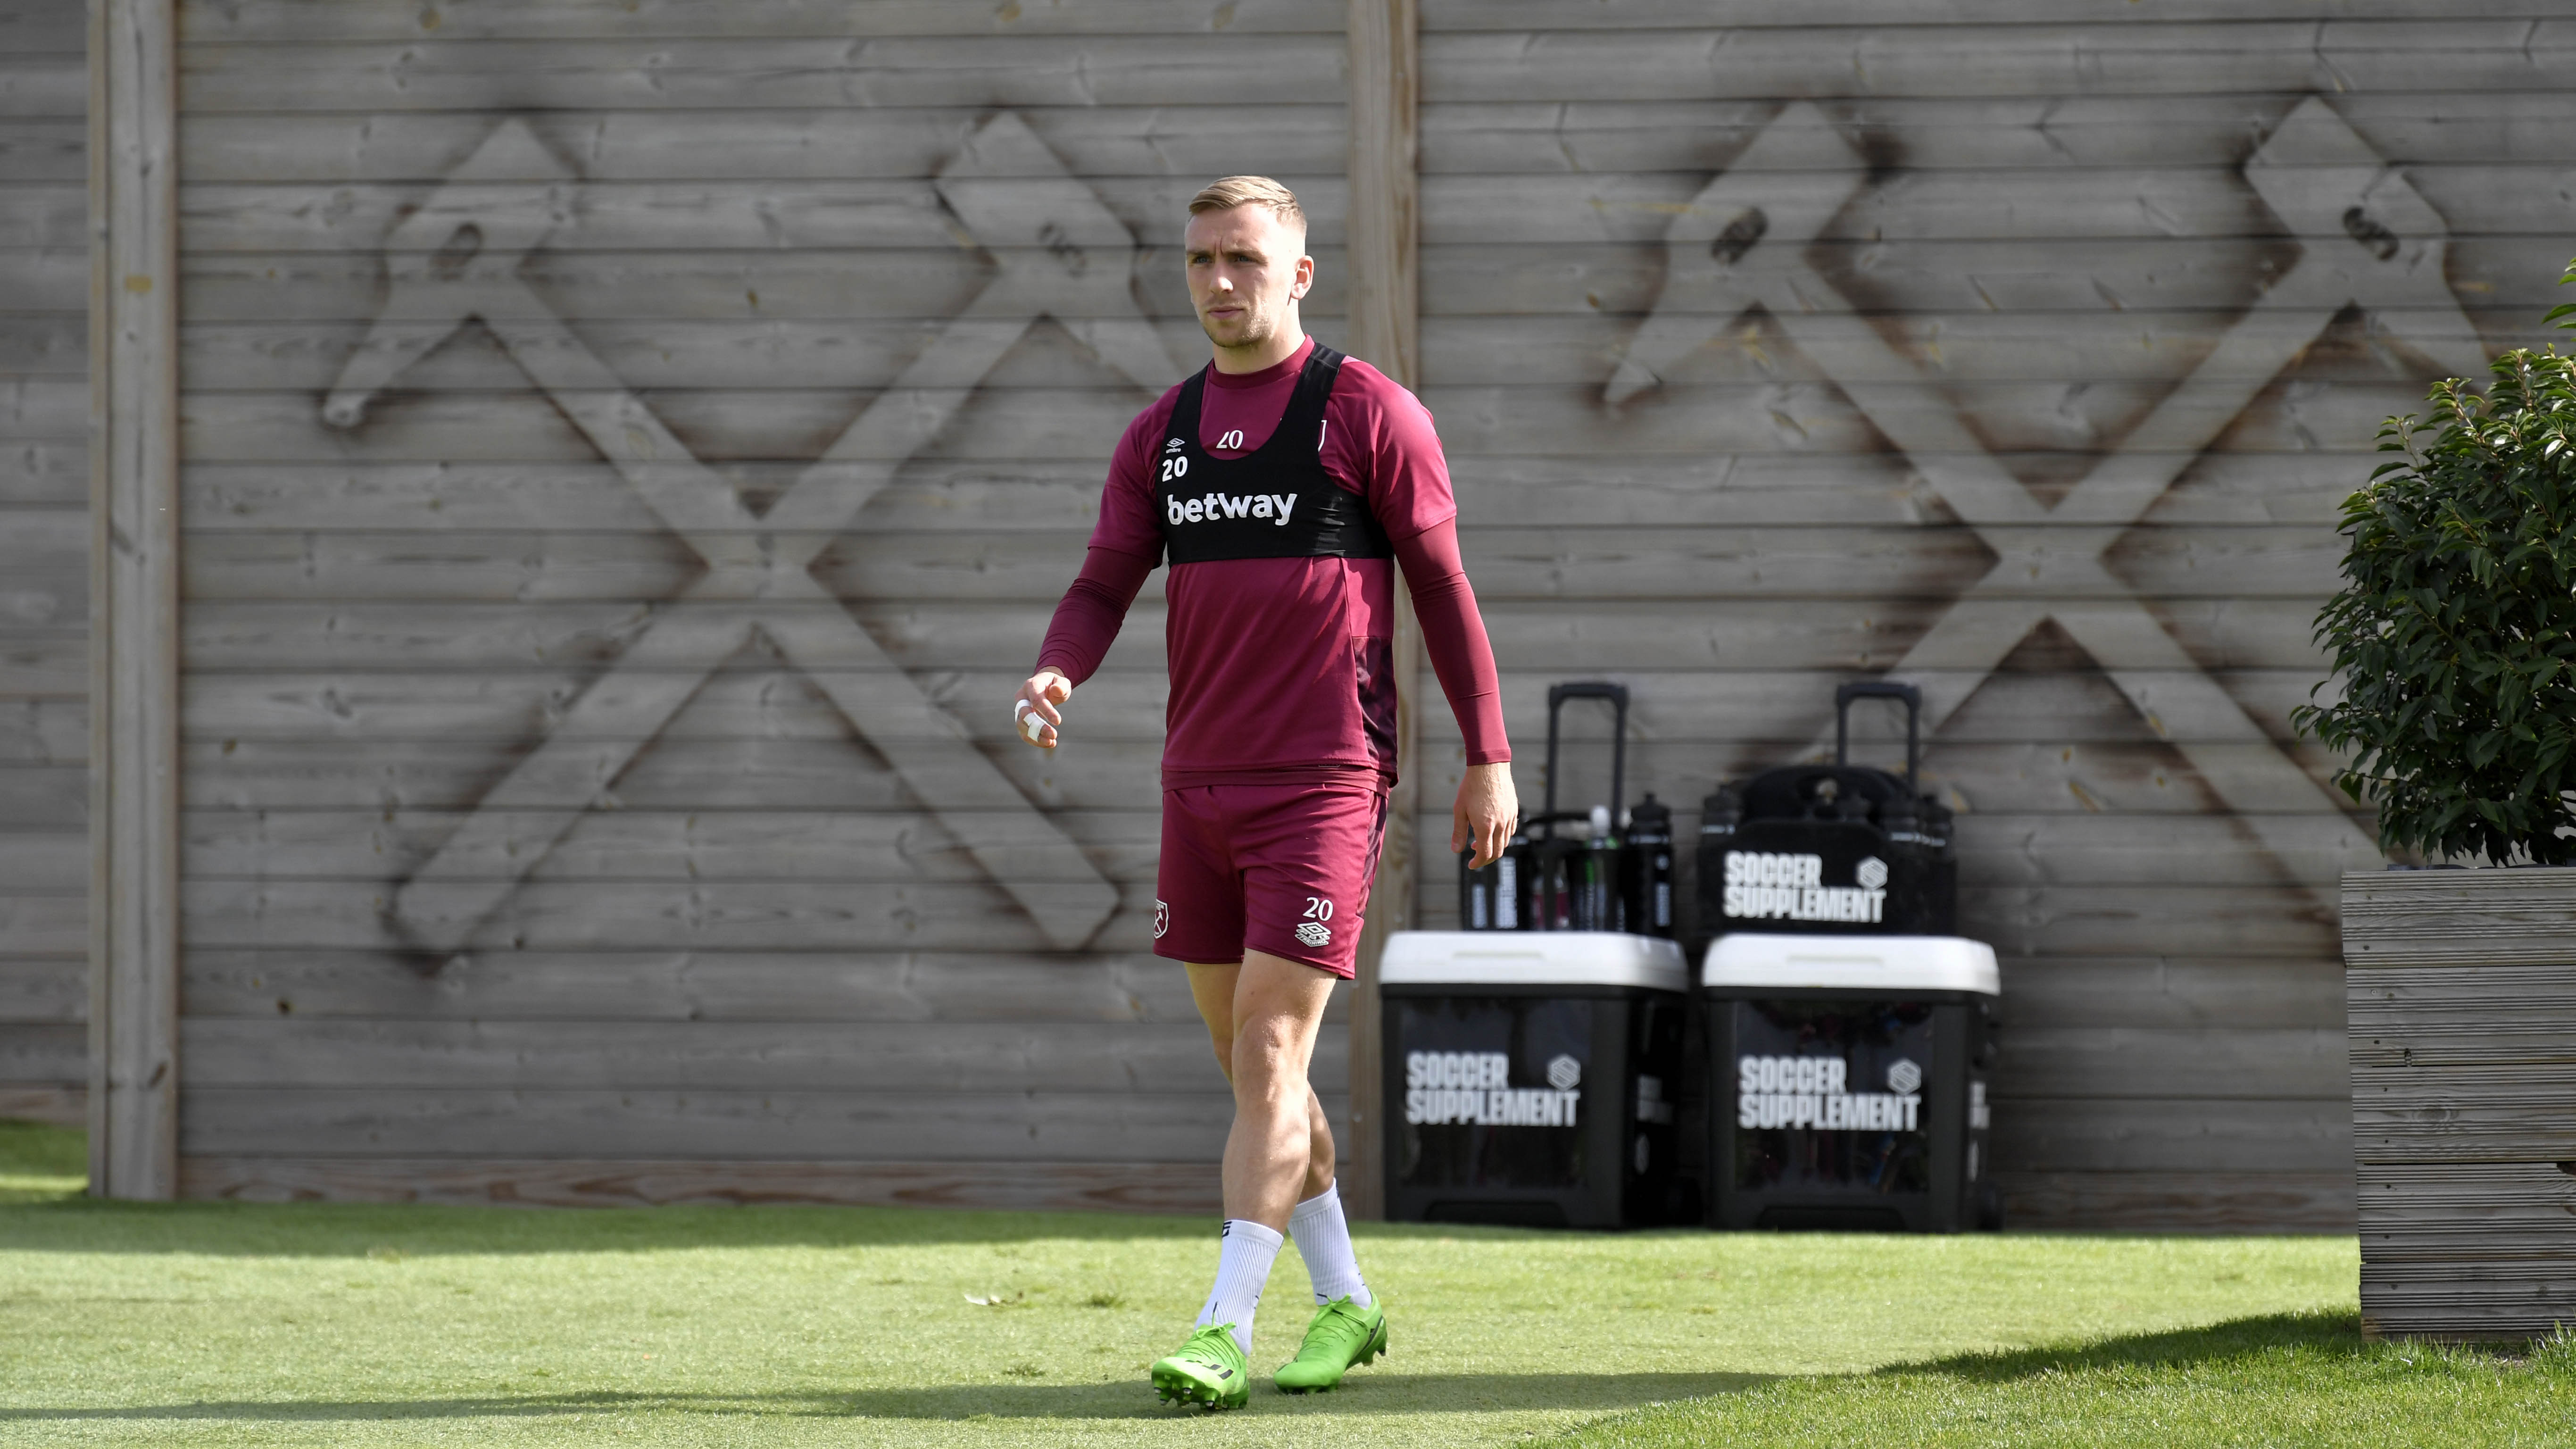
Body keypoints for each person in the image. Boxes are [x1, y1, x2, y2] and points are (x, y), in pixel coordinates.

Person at [1014, 175, 1517, 1409]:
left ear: (1297, 274)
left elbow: (1445, 593)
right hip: (1197, 789)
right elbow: (1102, 581)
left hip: (1325, 783)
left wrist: (1488, 751)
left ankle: (1223, 1326)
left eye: (1243, 258)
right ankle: (1346, 1300)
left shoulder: (1370, 413)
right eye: (1199, 261)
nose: (1219, 281)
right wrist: (1056, 668)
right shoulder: (1162, 434)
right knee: (1261, 1079)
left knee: (1273, 1049)